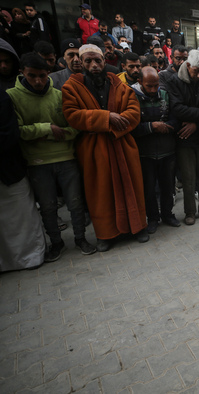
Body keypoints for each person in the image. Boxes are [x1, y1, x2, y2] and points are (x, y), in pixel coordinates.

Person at [8, 52, 96, 261]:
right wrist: (47, 129)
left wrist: (57, 133)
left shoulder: (59, 95)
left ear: (49, 73)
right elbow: (18, 131)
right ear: (22, 73)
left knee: (75, 203)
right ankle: (56, 242)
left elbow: (74, 127)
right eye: (32, 76)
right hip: (37, 162)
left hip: (66, 157)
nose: (38, 81)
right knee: (47, 206)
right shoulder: (12, 96)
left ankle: (80, 239)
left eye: (42, 76)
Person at [61, 44, 147, 252]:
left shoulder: (119, 85)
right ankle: (105, 234)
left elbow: (134, 112)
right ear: (80, 63)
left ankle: (138, 227)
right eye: (88, 61)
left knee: (132, 186)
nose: (94, 65)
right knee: (100, 192)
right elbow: (72, 115)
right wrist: (106, 118)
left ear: (104, 61)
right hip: (94, 148)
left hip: (122, 144)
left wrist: (119, 122)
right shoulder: (70, 87)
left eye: (97, 60)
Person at [167, 49, 199, 224]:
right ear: (188, 65)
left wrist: (197, 123)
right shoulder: (174, 81)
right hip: (184, 138)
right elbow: (177, 109)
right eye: (197, 71)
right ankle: (190, 212)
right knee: (188, 179)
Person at [131, 66, 180, 233]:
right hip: (145, 153)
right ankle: (152, 218)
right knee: (149, 188)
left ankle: (167, 214)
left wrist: (167, 125)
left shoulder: (165, 94)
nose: (153, 89)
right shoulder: (132, 97)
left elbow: (176, 118)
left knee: (167, 186)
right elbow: (132, 126)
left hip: (167, 150)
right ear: (140, 82)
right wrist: (151, 127)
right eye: (149, 86)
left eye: (156, 85)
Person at [0, 88, 45, 271]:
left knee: (20, 217)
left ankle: (30, 258)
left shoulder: (3, 98)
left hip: (8, 168)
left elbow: (10, 132)